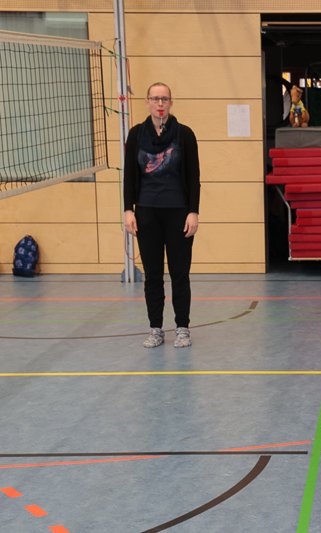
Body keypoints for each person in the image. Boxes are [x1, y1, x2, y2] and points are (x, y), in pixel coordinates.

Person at [123, 82, 200, 349]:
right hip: (147, 213)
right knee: (153, 275)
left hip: (178, 213)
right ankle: (155, 328)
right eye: (155, 98)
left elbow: (194, 177)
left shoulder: (185, 134)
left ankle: (182, 328)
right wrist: (128, 209)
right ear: (147, 101)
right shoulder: (136, 135)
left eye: (164, 99)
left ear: (170, 102)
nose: (160, 103)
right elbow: (129, 176)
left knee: (180, 273)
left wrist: (193, 211)